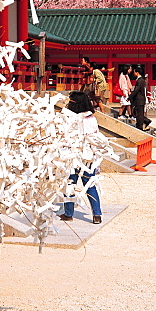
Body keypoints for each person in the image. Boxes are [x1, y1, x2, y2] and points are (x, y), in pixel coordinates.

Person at [57, 90, 104, 224]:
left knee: (70, 184)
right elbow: (96, 138)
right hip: (88, 157)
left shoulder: (68, 118)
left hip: (73, 156)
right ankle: (97, 214)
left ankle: (68, 213)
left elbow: (63, 136)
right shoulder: (91, 118)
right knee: (90, 185)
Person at [129, 65, 151, 131]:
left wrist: (130, 96)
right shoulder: (141, 80)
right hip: (140, 99)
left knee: (139, 113)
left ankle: (140, 126)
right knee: (138, 113)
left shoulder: (140, 80)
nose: (134, 73)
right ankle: (143, 122)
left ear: (137, 72)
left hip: (139, 99)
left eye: (134, 72)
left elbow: (136, 90)